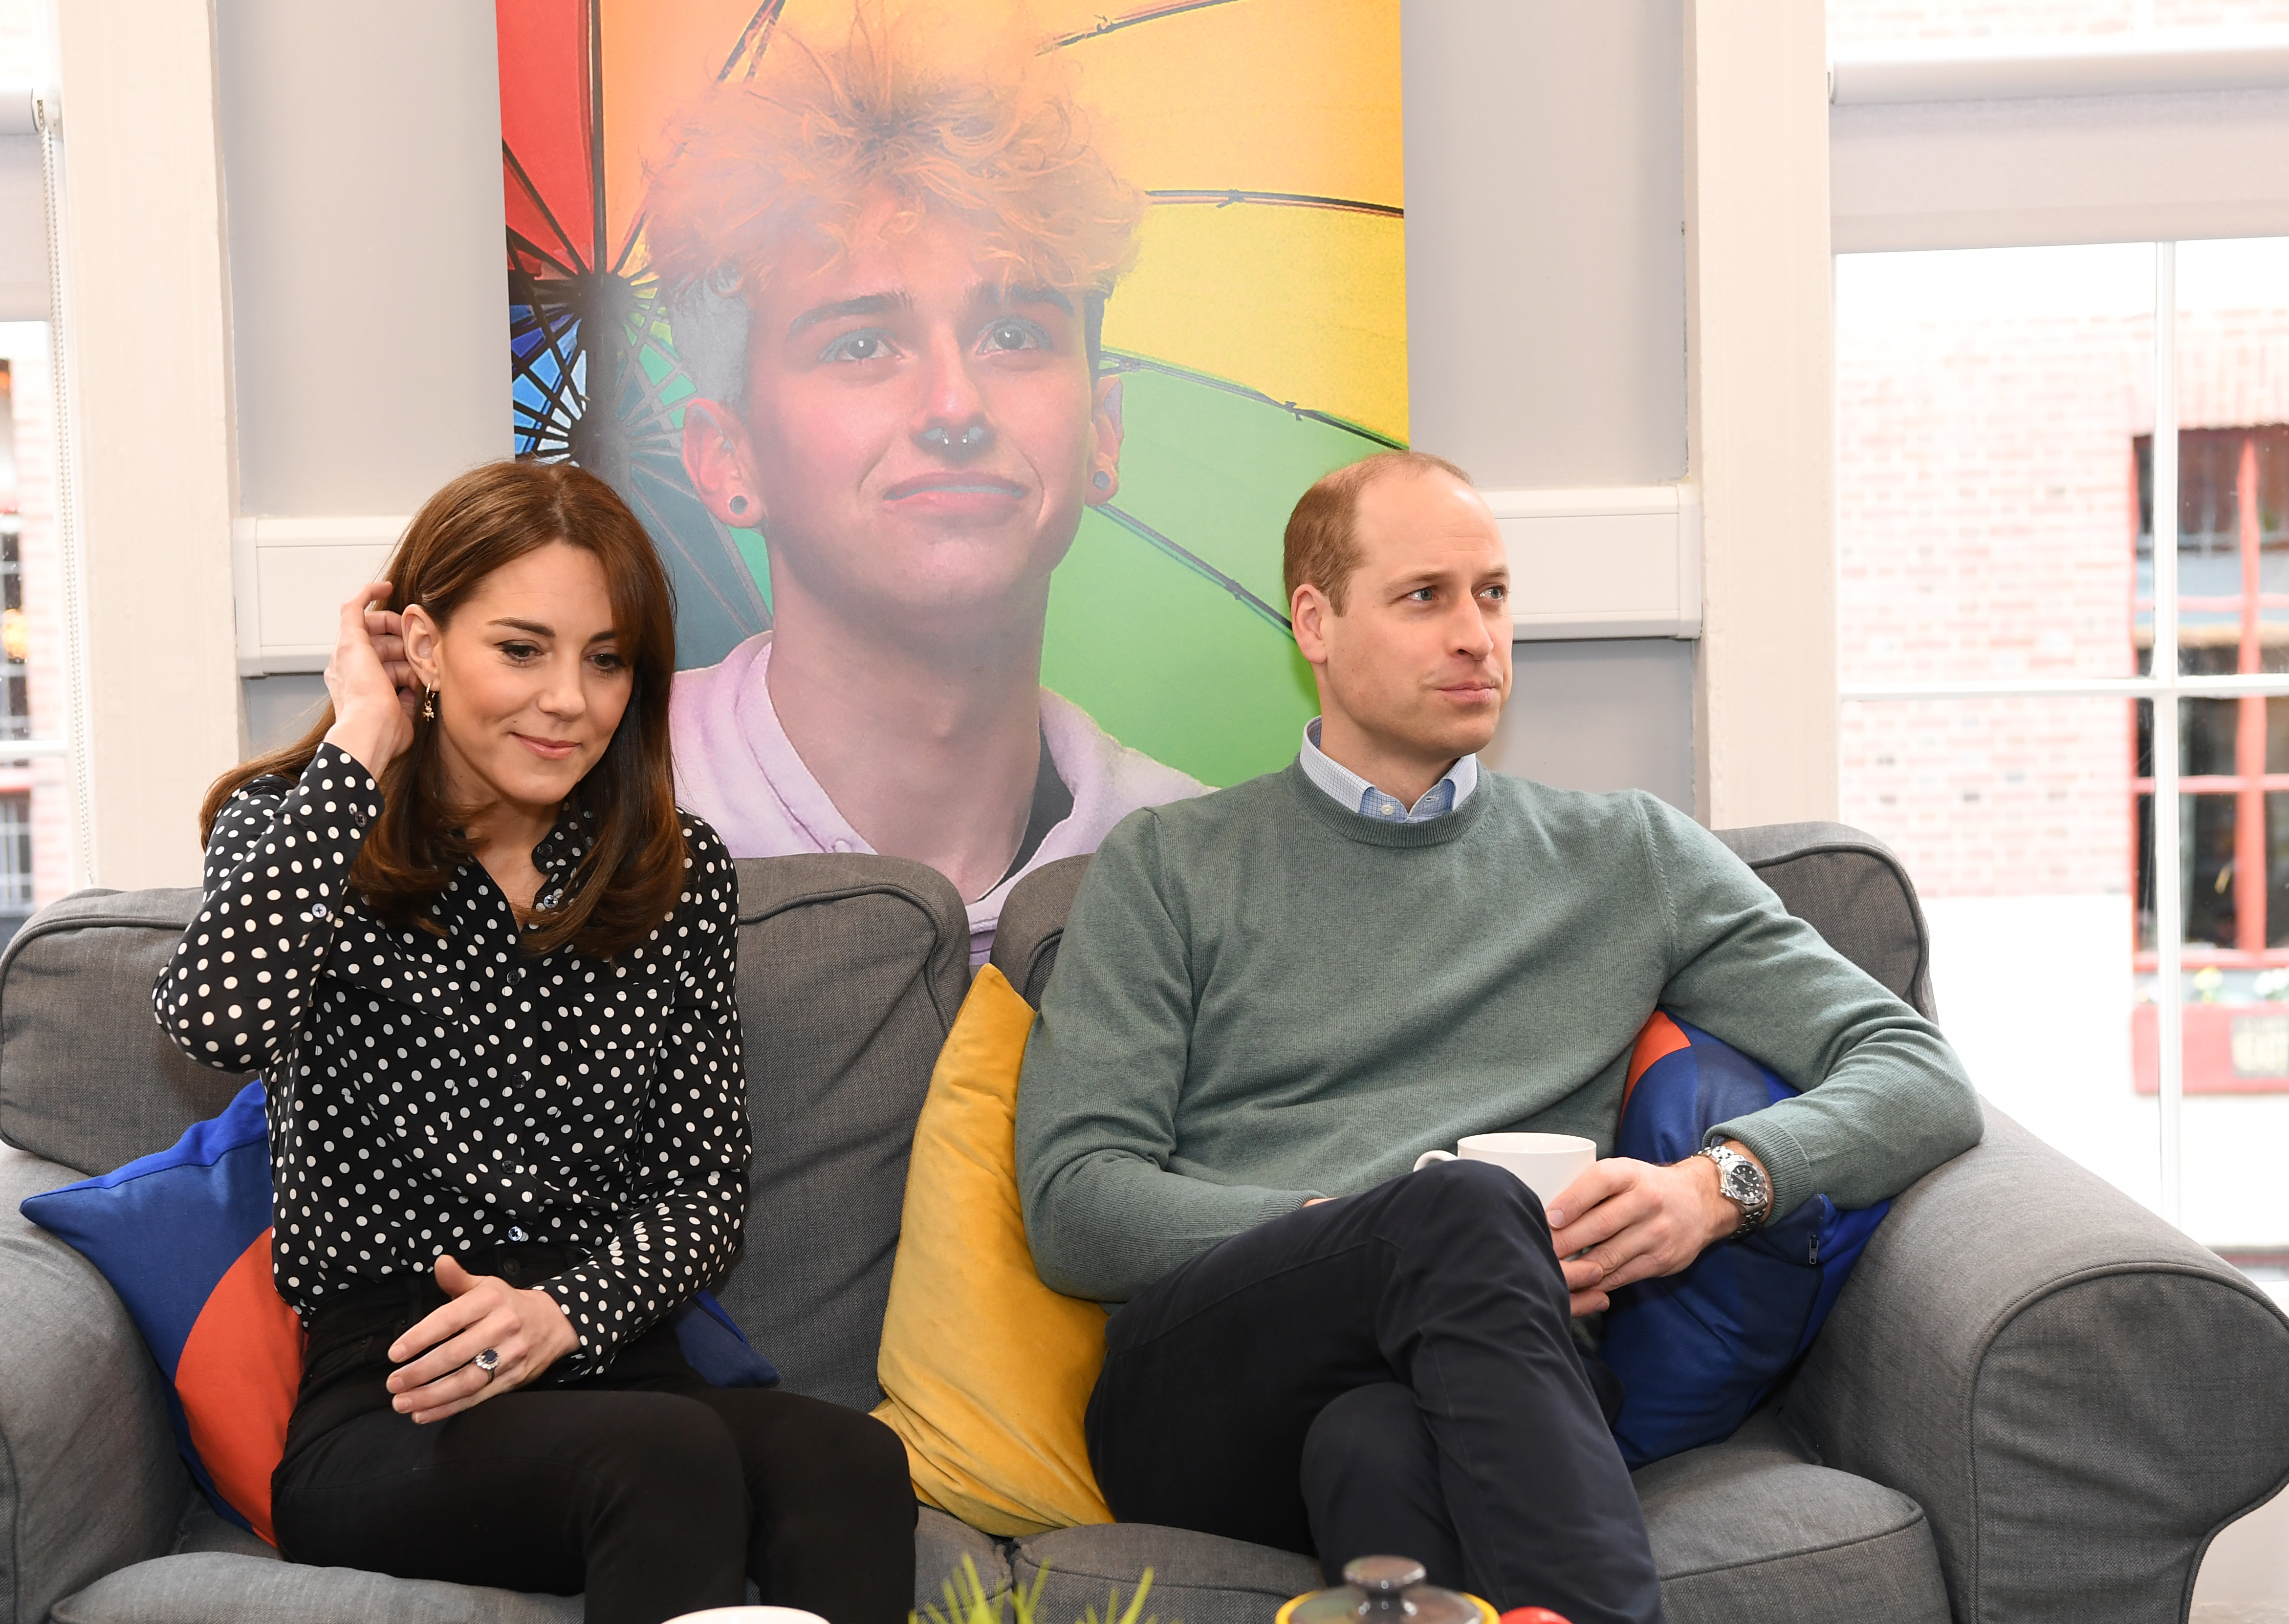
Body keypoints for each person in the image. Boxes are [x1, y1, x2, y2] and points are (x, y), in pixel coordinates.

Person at [1014, 451, 1985, 1624]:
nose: (1475, 636)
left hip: (1479, 1395)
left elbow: (1915, 1073)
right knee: (1460, 1210)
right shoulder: (1167, 866)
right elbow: (1075, 1201)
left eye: (1492, 594)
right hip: (1209, 1387)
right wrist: (1367, 1237)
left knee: (1375, 1444)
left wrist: (1714, 1188)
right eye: (1424, 596)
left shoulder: (1628, 859)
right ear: (1314, 623)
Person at [150, 462, 914, 1624]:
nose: (568, 701)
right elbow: (214, 1023)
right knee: (662, 1456)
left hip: (610, 1359)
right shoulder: (297, 832)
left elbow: (703, 1188)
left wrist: (563, 1311)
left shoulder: (674, 876)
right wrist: (361, 737)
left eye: (606, 660)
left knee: (850, 1460)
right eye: (521, 650)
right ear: (422, 643)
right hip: (397, 1400)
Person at [641, 4, 1203, 961]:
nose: (954, 405)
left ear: (1102, 432)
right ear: (727, 458)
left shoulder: (1202, 880)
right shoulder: (589, 819)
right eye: (861, 344)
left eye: (1013, 335)